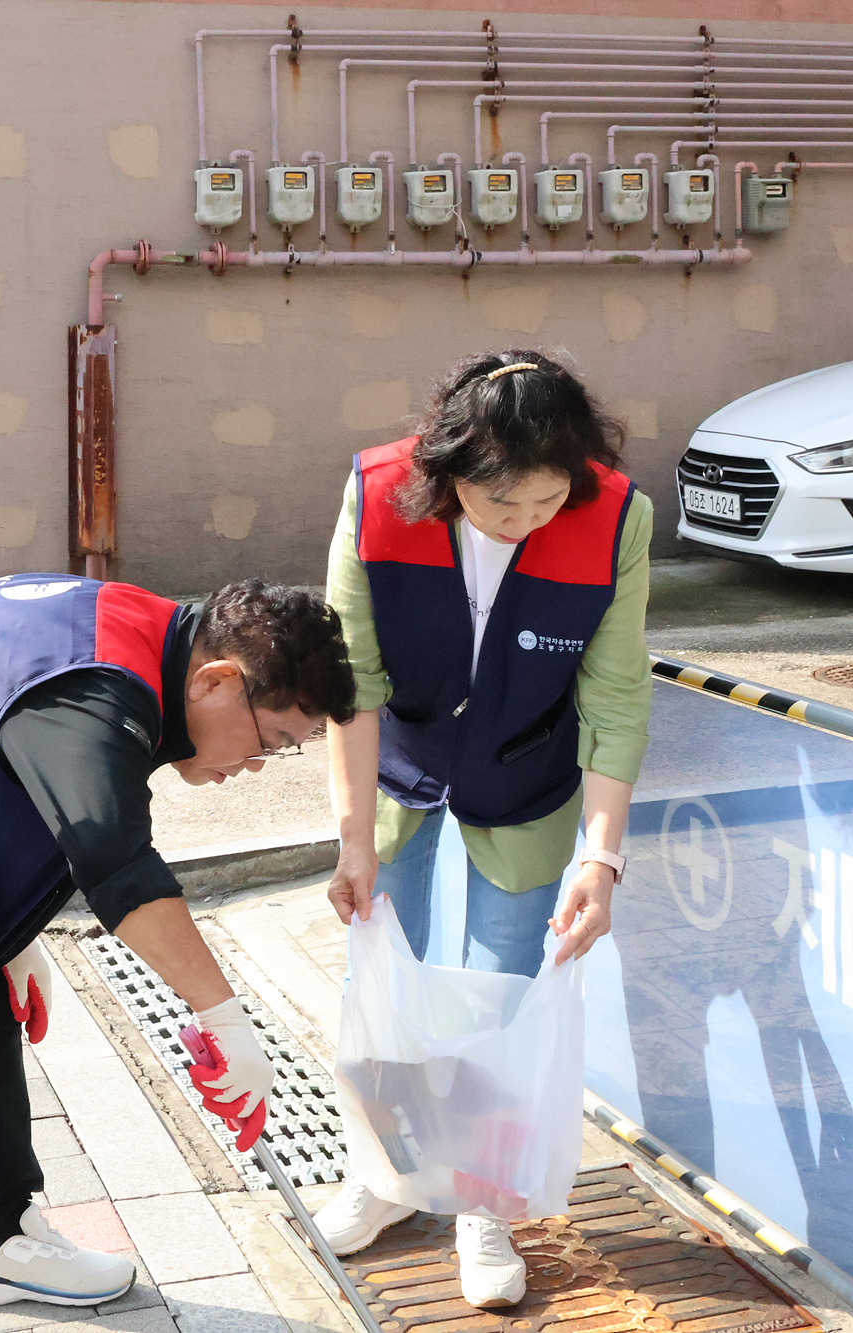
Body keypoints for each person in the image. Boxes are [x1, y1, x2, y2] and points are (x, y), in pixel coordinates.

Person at [0, 574, 359, 1333]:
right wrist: (224, 1016)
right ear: (218, 680)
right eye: (272, 741)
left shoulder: (139, 631)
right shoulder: (96, 686)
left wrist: (12, 932)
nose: (255, 765)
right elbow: (112, 858)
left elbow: (17, 765)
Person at [315, 349, 652, 1307]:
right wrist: (351, 837)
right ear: (449, 471)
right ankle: (387, 1177)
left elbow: (617, 698)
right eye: (503, 507)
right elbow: (352, 680)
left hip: (530, 773)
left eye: (548, 504)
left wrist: (602, 854)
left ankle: (482, 1202)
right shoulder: (378, 495)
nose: (527, 524)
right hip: (402, 763)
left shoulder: (617, 515)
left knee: (505, 985)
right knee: (386, 965)